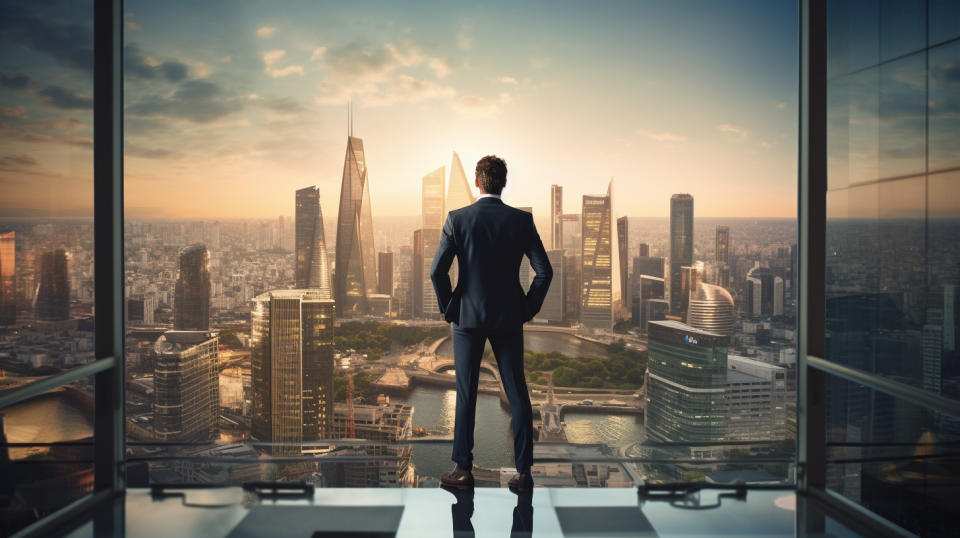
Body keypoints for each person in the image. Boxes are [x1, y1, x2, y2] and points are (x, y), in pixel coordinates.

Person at [430, 155, 553, 493]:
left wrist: (449, 307)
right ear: (503, 183)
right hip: (509, 317)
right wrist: (526, 308)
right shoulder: (521, 221)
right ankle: (524, 473)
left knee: (466, 392)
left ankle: (462, 469)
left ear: (476, 181)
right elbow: (545, 272)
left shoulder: (458, 219)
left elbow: (437, 272)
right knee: (517, 392)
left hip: (467, 318)